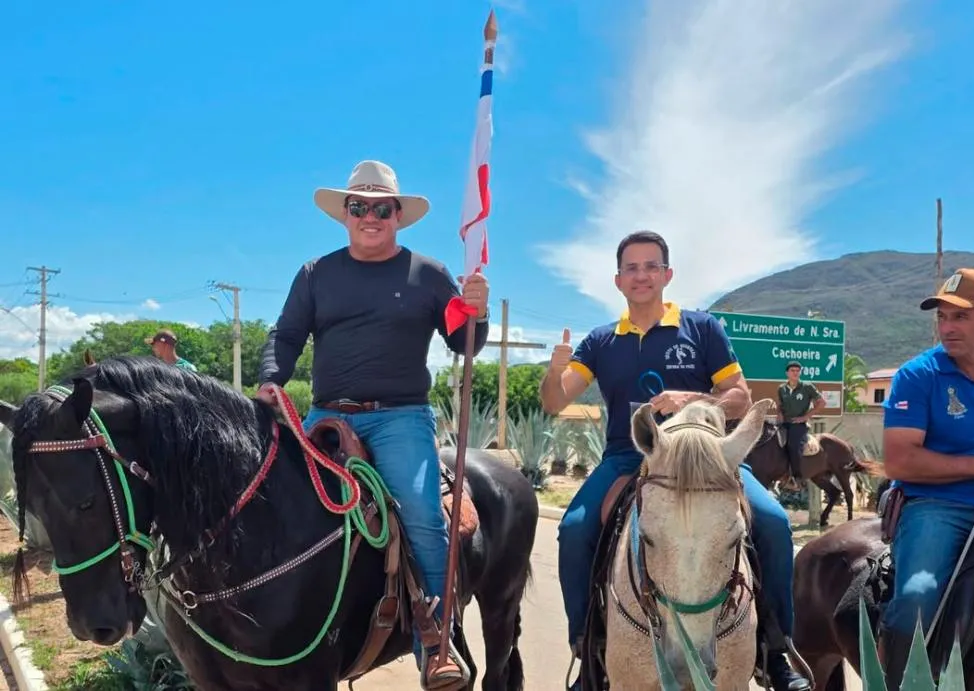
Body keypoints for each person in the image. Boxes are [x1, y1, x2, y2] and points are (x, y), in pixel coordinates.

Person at [540, 230, 809, 691]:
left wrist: (692, 397)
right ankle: (587, 652)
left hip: (707, 459)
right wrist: (554, 368)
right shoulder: (602, 341)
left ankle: (775, 647)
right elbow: (554, 402)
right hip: (629, 457)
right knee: (574, 530)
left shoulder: (702, 328)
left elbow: (741, 398)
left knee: (774, 522)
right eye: (631, 268)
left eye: (650, 266)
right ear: (618, 280)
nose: (641, 275)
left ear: (667, 274)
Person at [256, 159, 490, 690]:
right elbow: (287, 335)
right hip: (326, 416)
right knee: (276, 505)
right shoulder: (317, 274)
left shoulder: (429, 275)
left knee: (424, 516)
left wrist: (477, 311)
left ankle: (435, 641)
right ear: (345, 214)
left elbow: (464, 344)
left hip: (401, 418)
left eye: (380, 208)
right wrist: (272, 378)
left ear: (396, 216)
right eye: (359, 206)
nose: (369, 216)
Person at [880, 267, 974, 690]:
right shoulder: (918, 375)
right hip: (937, 506)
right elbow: (898, 462)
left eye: (960, 317)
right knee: (917, 597)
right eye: (942, 318)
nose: (947, 328)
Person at [776, 360, 825, 487]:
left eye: (798, 371)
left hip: (798, 425)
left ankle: (797, 477)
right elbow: (780, 405)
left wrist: (805, 417)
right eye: (792, 370)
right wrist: (779, 415)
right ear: (787, 373)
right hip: (784, 423)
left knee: (793, 445)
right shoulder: (782, 388)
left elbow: (821, 403)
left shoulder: (807, 387)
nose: (795, 373)